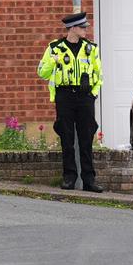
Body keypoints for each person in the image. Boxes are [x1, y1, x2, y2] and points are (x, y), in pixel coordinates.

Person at [38, 11, 103, 192]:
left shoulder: (91, 48)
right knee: (67, 139)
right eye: (83, 27)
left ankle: (89, 180)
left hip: (85, 98)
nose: (85, 30)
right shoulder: (55, 47)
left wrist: (93, 93)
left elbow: (99, 74)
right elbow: (42, 72)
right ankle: (69, 178)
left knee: (86, 138)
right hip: (64, 96)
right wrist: (53, 61)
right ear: (72, 28)